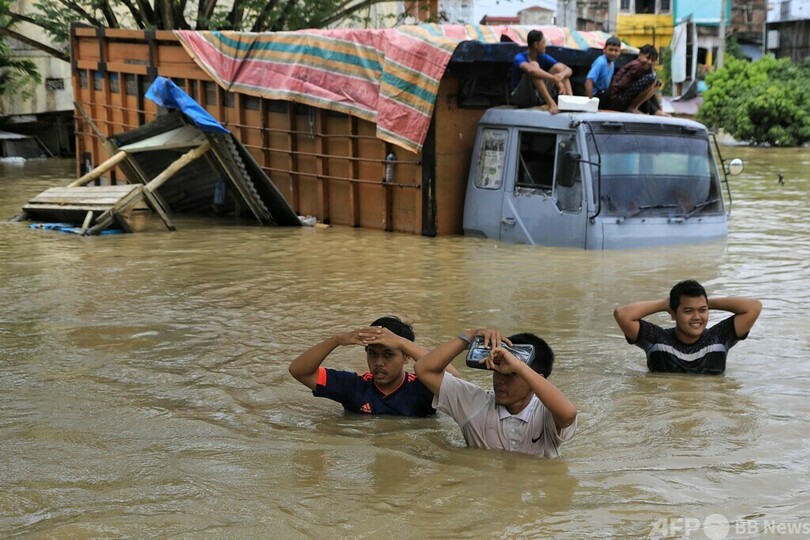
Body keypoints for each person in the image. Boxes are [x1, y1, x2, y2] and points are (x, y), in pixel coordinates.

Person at [414, 328, 577, 457]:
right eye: (498, 369)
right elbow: (424, 369)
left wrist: (519, 366)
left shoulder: (545, 412)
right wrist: (469, 336)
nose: (500, 380)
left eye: (511, 374)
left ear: (535, 380)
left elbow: (568, 414)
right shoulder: (474, 403)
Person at [288, 316, 458, 416]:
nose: (378, 362)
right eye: (372, 354)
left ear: (406, 357)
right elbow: (299, 371)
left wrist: (402, 343)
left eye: (388, 354)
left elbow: (458, 385)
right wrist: (337, 340)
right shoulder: (353, 386)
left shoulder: (423, 387)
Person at [613, 280, 762, 374]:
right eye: (688, 311)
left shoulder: (719, 337)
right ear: (673, 314)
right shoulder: (657, 340)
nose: (697, 317)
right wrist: (665, 304)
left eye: (702, 310)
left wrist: (707, 302)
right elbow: (622, 314)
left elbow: (754, 307)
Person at [510, 29, 573, 114]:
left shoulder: (543, 56)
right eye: (543, 42)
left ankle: (570, 101)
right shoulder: (519, 57)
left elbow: (568, 69)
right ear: (536, 44)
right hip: (522, 97)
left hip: (537, 96)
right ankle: (551, 104)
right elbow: (531, 70)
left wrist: (561, 75)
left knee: (559, 67)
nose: (545, 45)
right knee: (534, 66)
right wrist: (554, 78)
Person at [609, 44, 669, 116]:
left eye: (652, 60)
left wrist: (658, 108)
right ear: (640, 55)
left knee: (656, 83)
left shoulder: (647, 69)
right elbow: (621, 85)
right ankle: (632, 108)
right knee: (650, 79)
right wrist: (638, 90)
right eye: (647, 58)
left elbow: (650, 92)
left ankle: (654, 111)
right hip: (618, 99)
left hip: (627, 97)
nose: (649, 62)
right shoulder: (637, 66)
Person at [584, 36, 622, 109]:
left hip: (603, 93)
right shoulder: (601, 62)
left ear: (619, 52)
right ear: (604, 50)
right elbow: (588, 81)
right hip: (596, 95)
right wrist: (591, 103)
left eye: (616, 50)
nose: (613, 53)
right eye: (610, 50)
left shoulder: (612, 64)